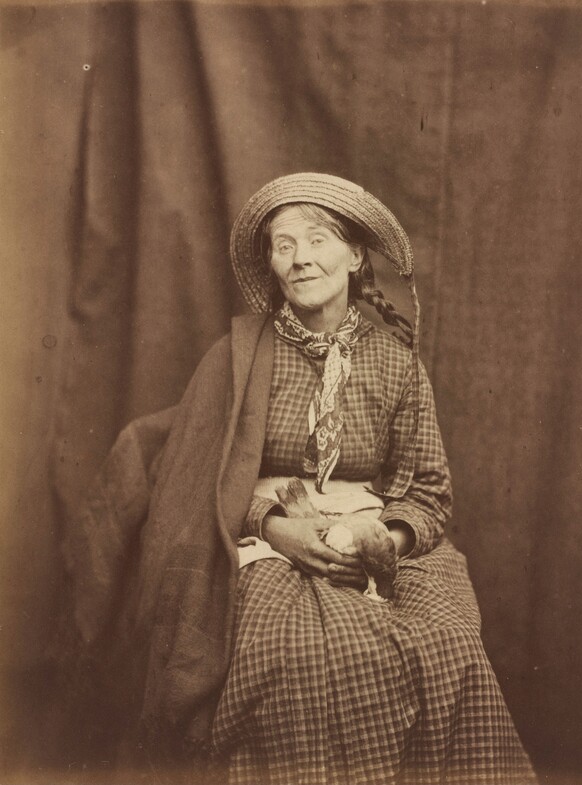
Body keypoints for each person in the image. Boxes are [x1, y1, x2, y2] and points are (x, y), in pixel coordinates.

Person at [67, 174, 537, 785]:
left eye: (317, 241)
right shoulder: (236, 355)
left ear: (355, 257)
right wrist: (279, 530)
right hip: (255, 533)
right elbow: (197, 478)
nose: (301, 258)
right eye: (283, 245)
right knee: (289, 654)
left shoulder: (397, 364)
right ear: (270, 263)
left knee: (448, 644)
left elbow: (426, 492)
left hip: (373, 533)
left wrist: (381, 542)